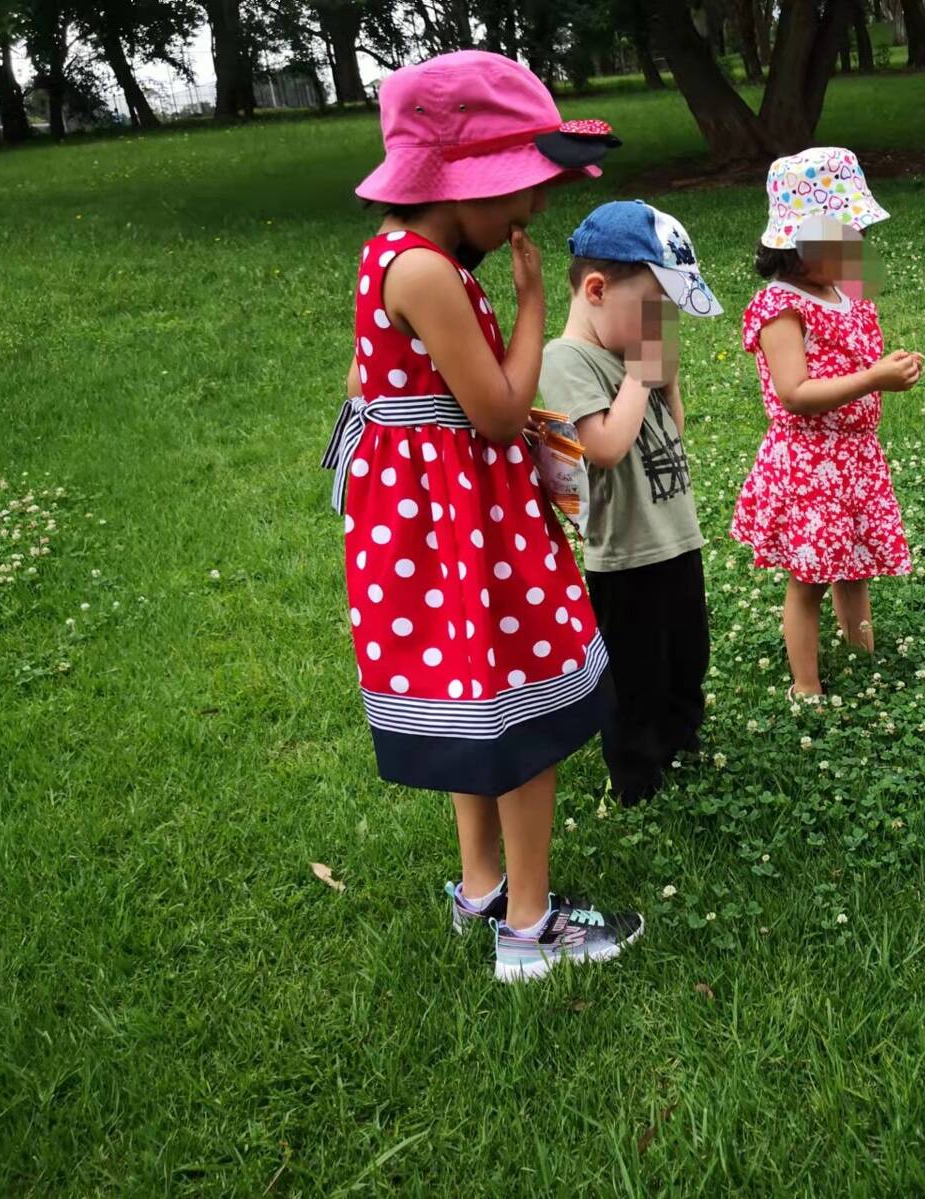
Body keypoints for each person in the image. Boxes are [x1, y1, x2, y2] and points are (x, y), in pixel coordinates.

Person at [325, 50, 641, 981]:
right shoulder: (425, 271)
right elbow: (499, 412)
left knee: (478, 704)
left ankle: (481, 888)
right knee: (524, 704)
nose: (528, 213)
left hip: (432, 517)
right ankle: (530, 929)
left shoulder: (390, 255)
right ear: (460, 182)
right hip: (467, 526)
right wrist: (533, 303)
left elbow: (379, 385)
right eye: (519, 191)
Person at [539, 200, 722, 804]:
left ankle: (681, 737)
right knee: (636, 670)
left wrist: (666, 380)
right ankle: (636, 774)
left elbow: (671, 433)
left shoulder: (626, 355)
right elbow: (605, 447)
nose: (661, 325)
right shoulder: (565, 360)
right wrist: (642, 375)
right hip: (625, 555)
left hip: (675, 535)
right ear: (596, 290)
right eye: (654, 308)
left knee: (686, 652)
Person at [730, 147, 922, 699]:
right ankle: (807, 687)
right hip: (810, 464)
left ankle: (862, 656)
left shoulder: (846, 293)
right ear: (797, 245)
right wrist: (873, 379)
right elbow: (794, 394)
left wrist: (885, 369)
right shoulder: (780, 306)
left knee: (854, 564)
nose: (854, 248)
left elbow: (854, 361)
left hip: (855, 458)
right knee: (809, 577)